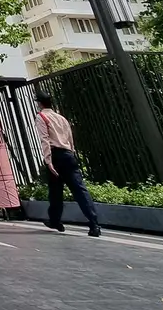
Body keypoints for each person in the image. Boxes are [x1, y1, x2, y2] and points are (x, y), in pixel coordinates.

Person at [33, 91, 101, 236]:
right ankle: (94, 223)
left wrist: (48, 160)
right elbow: (70, 139)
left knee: (55, 190)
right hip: (68, 154)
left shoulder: (41, 117)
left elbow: (44, 139)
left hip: (55, 155)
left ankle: (55, 220)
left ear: (39, 103)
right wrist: (72, 153)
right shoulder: (62, 118)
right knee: (79, 189)